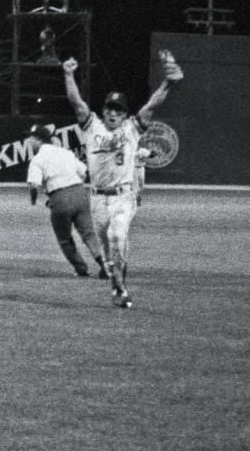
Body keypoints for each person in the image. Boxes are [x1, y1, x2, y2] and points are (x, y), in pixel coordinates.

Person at [62, 52, 183, 308]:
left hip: (123, 196)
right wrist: (68, 74)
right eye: (109, 109)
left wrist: (168, 83)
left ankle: (121, 287)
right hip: (96, 199)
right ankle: (116, 283)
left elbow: (152, 105)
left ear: (124, 113)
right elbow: (76, 102)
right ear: (103, 111)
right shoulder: (92, 125)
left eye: (118, 110)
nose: (113, 114)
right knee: (107, 248)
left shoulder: (131, 128)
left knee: (118, 237)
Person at [24, 122, 109, 278]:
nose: (29, 142)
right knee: (89, 233)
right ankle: (105, 265)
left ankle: (81, 269)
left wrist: (33, 201)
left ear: (38, 140)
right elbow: (84, 172)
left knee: (65, 238)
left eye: (31, 138)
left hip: (59, 197)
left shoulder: (37, 159)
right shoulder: (66, 153)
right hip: (80, 193)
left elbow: (34, 186)